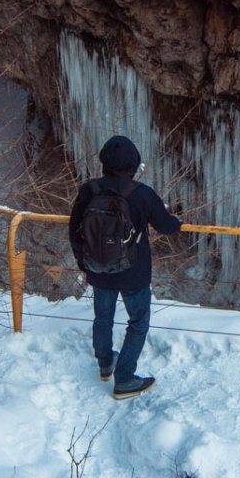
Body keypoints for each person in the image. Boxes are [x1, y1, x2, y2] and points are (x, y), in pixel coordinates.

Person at [68, 135, 183, 399]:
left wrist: (83, 265)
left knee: (103, 318)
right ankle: (125, 378)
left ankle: (105, 362)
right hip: (134, 273)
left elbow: (74, 232)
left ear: (104, 163)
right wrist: (177, 221)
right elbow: (166, 226)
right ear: (134, 165)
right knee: (138, 323)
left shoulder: (89, 190)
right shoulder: (141, 194)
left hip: (98, 269)